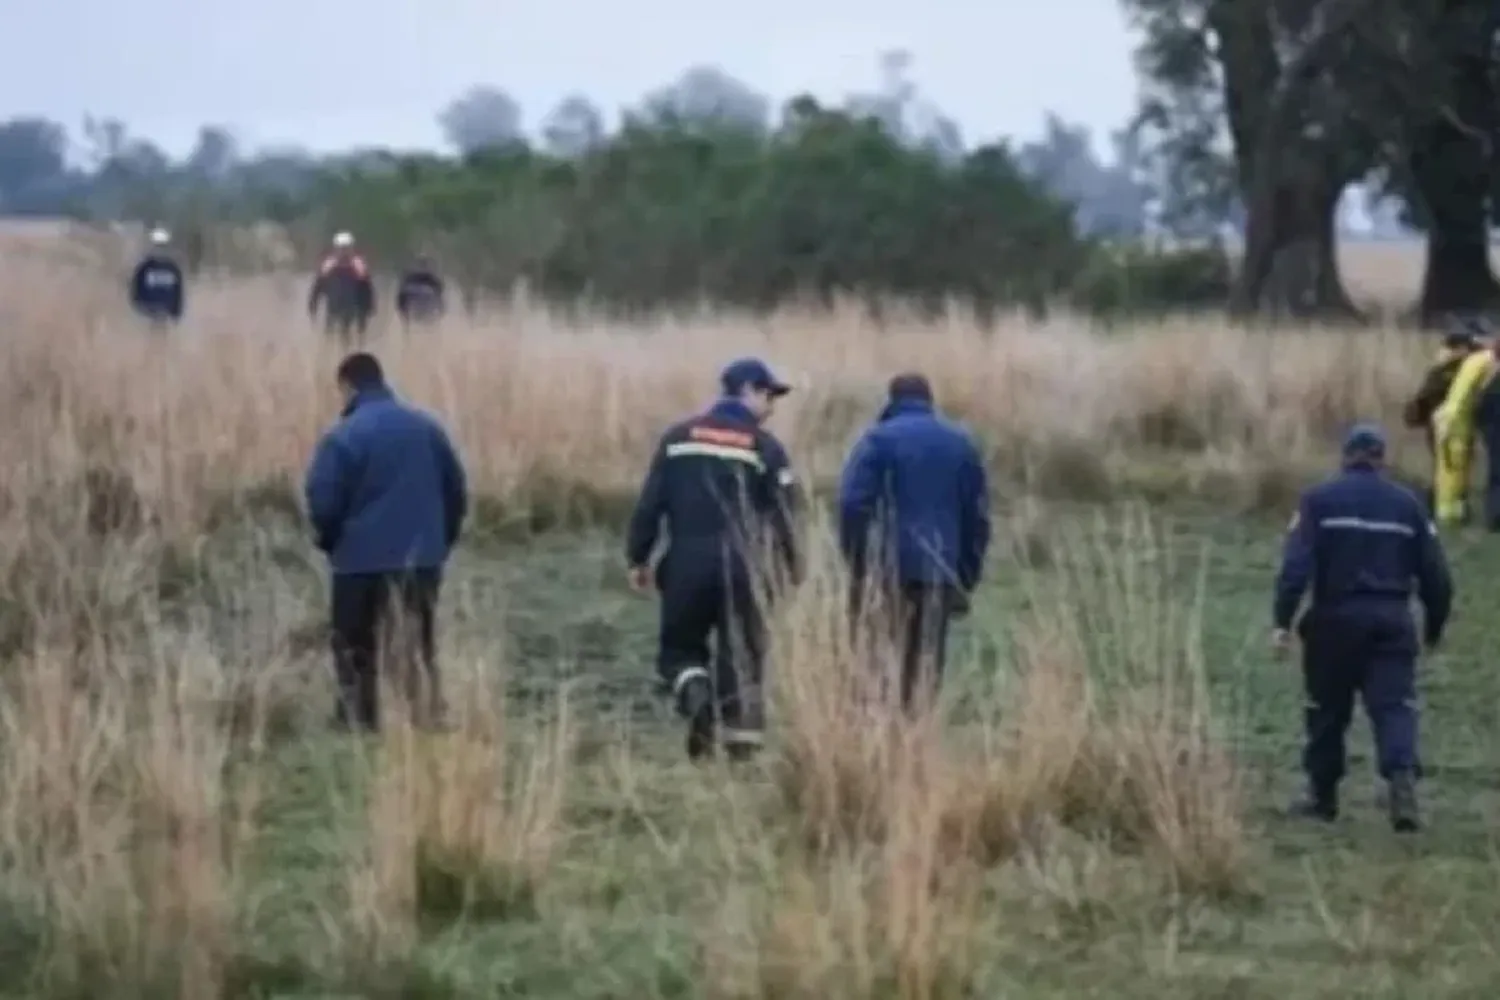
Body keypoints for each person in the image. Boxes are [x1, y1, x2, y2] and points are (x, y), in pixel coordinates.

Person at [1272, 423, 1452, 833]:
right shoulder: (1408, 506)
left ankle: (1322, 796)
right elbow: (1437, 576)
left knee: (1326, 711)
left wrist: (1282, 621)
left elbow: (1295, 570)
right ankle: (1401, 780)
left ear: (1345, 457)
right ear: (1382, 459)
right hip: (1391, 622)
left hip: (1333, 621)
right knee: (1394, 707)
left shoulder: (1318, 500)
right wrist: (1435, 627)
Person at [624, 357, 802, 761]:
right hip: (746, 566)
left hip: (685, 564)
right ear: (748, 392)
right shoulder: (765, 448)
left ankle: (694, 691)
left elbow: (651, 503)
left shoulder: (677, 438)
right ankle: (740, 749)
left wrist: (639, 556)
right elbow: (786, 515)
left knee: (679, 650)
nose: (772, 406)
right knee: (742, 654)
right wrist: (790, 570)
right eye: (768, 395)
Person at [303, 352, 468, 731]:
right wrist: (440, 543)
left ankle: (358, 722)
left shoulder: (343, 437)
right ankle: (424, 719)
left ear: (346, 387)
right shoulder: (427, 429)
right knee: (414, 644)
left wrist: (331, 543)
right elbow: (456, 491)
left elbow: (323, 500)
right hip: (421, 560)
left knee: (354, 647)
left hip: (359, 563)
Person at [837, 373, 991, 714]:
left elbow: (852, 505)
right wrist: (964, 578)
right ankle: (915, 741)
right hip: (938, 573)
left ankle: (874, 742)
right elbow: (977, 519)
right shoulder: (960, 443)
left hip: (884, 572)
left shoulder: (876, 440)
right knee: (924, 666)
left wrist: (860, 563)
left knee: (874, 663)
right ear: (929, 401)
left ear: (891, 401)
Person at [1403, 318, 1484, 511]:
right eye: (1468, 347)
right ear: (1459, 348)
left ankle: (1449, 504)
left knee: (1452, 467)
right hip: (1444, 425)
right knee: (1448, 468)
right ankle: (1442, 505)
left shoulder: (1445, 368)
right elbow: (1428, 397)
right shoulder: (1447, 371)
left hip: (1448, 424)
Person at [1430, 321, 1499, 526]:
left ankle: (1456, 512)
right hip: (1457, 420)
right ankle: (1451, 514)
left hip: (1463, 419)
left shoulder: (1479, 362)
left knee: (1460, 467)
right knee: (1454, 467)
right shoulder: (1480, 363)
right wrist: (1447, 422)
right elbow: (1460, 397)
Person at [308, 232, 375, 340]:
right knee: (330, 330)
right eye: (341, 248)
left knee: (347, 331)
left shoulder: (358, 265)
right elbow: (318, 286)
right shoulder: (329, 265)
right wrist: (313, 304)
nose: (344, 252)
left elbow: (367, 288)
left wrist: (368, 307)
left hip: (351, 305)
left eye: (346, 248)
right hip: (333, 305)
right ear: (336, 249)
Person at [129, 228, 184, 326]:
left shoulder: (172, 268)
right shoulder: (145, 267)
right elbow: (136, 288)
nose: (159, 249)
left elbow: (178, 291)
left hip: (166, 315)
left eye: (162, 246)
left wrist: (176, 313)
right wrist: (140, 309)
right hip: (148, 314)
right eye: (157, 245)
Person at [396, 257, 446, 326]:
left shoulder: (413, 277)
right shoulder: (427, 277)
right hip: (420, 305)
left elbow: (439, 291)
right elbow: (439, 290)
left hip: (421, 305)